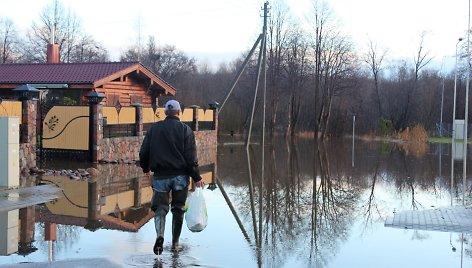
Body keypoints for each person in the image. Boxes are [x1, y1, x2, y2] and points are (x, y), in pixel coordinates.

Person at [139, 99, 205, 255]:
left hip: (160, 176)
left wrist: (145, 167)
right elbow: (191, 159)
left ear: (164, 112)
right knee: (178, 209)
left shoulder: (154, 129)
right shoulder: (186, 130)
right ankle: (175, 244)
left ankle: (160, 235)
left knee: (160, 209)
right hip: (180, 177)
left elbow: (144, 152)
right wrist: (196, 177)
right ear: (179, 112)